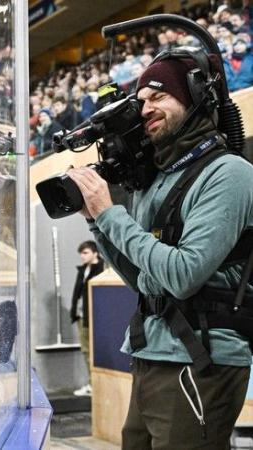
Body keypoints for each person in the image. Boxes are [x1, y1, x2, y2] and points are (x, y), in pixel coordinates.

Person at [67, 49, 253, 449]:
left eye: (157, 95)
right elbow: (145, 280)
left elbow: (184, 276)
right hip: (153, 352)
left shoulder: (229, 173)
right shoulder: (157, 181)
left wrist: (110, 214)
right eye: (140, 101)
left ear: (194, 95)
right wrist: (95, 219)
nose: (144, 108)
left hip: (200, 357)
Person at [70, 240, 104, 397]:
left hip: (97, 318)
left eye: (85, 253)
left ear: (95, 253)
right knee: (86, 351)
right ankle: (92, 384)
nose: (82, 256)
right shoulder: (83, 270)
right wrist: (74, 313)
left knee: (96, 352)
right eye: (81, 253)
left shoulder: (103, 270)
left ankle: (97, 385)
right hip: (82, 317)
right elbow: (77, 294)